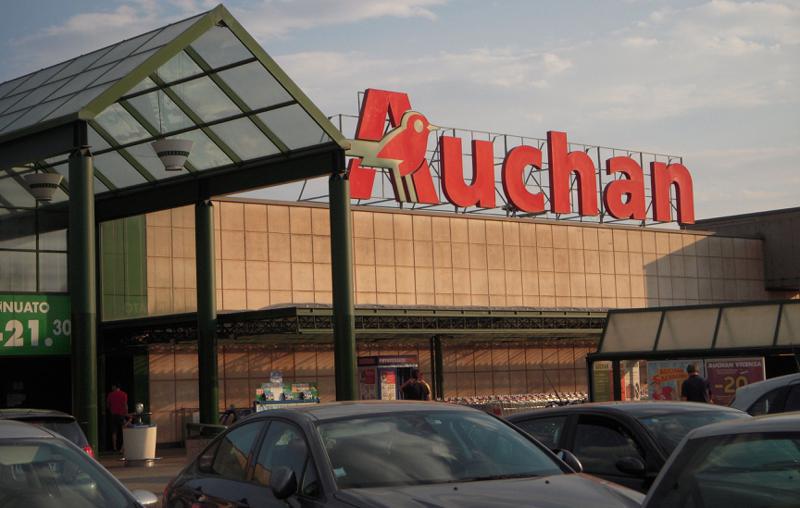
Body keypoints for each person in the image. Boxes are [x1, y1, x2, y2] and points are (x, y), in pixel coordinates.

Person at [107, 384, 129, 452]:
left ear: (115, 387)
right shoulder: (124, 394)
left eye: (112, 386)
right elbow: (125, 405)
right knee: (124, 431)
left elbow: (108, 405)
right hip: (121, 415)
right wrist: (126, 413)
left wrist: (112, 410)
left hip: (113, 415)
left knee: (114, 432)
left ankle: (114, 447)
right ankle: (122, 447)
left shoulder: (110, 394)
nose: (111, 387)